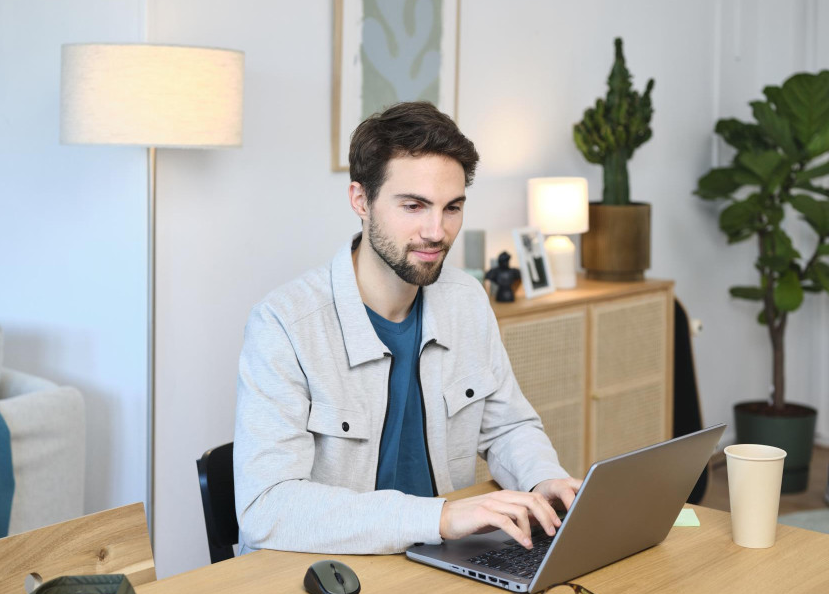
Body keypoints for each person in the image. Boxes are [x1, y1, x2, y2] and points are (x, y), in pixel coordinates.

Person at [234, 101, 581, 554]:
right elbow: (266, 508)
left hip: (438, 560)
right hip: (326, 572)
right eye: (414, 206)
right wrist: (439, 517)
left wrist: (543, 478)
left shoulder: (467, 301)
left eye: (452, 207)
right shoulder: (283, 325)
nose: (436, 231)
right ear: (361, 200)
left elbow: (507, 426)